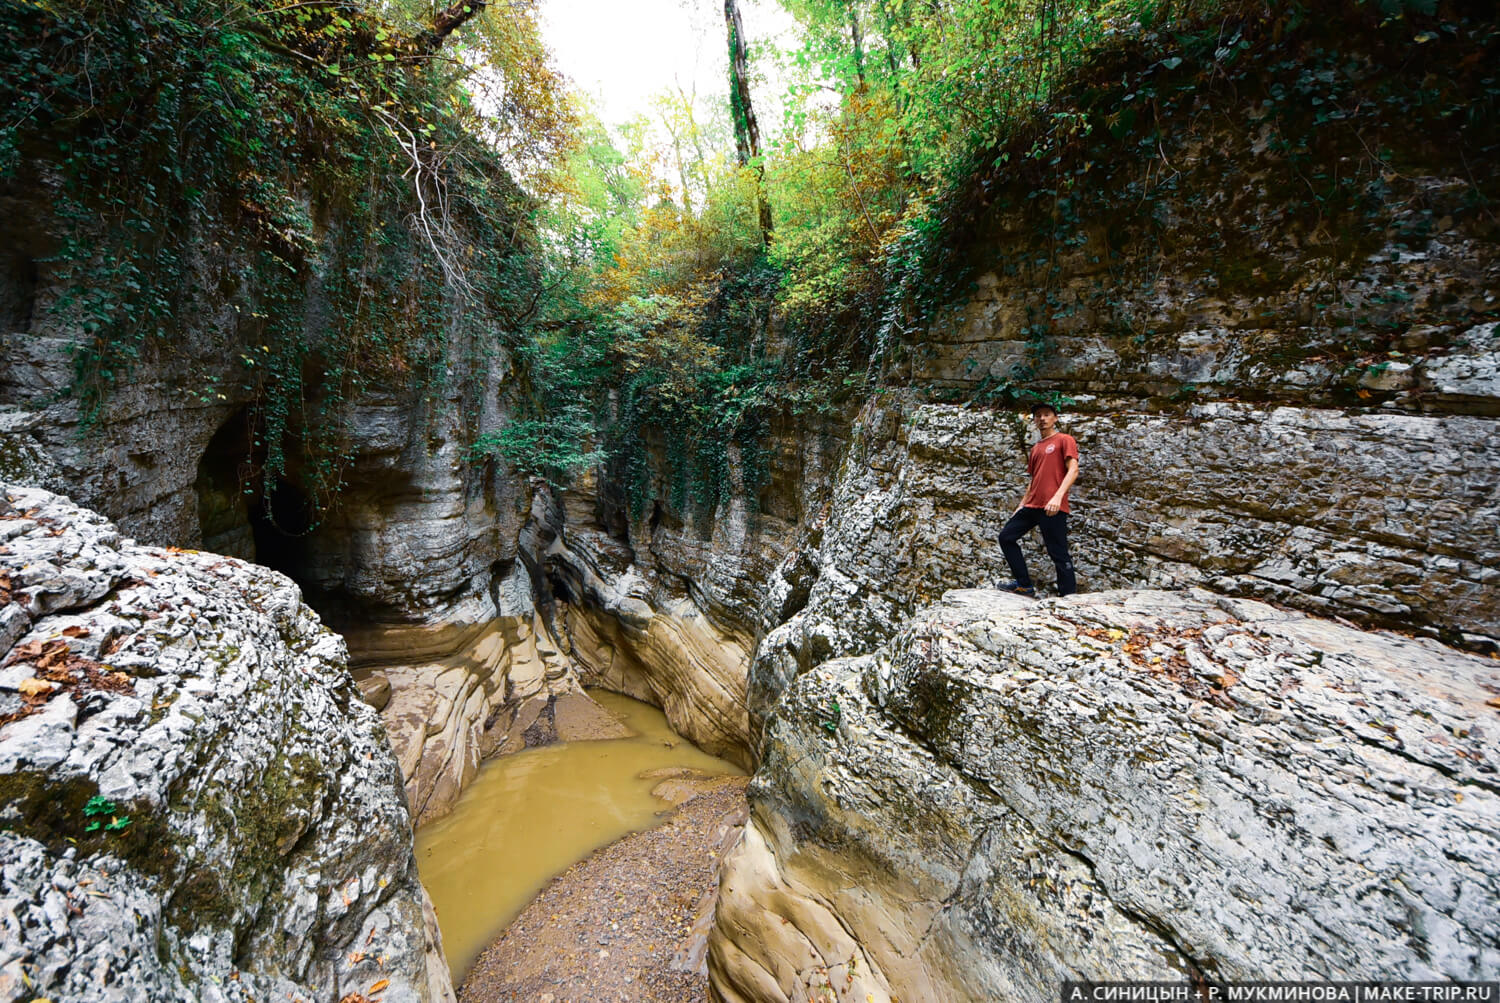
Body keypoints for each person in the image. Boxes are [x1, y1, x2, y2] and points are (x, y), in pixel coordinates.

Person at [996, 402, 1078, 597]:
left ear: (1055, 418)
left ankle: (1068, 598)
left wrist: (1058, 497)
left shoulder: (1064, 440)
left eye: (1047, 414)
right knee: (1006, 537)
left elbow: (1073, 470)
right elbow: (1034, 479)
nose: (1042, 418)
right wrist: (1021, 504)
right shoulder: (1036, 448)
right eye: (1038, 415)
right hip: (1032, 505)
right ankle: (1024, 585)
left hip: (1052, 506)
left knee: (1058, 552)